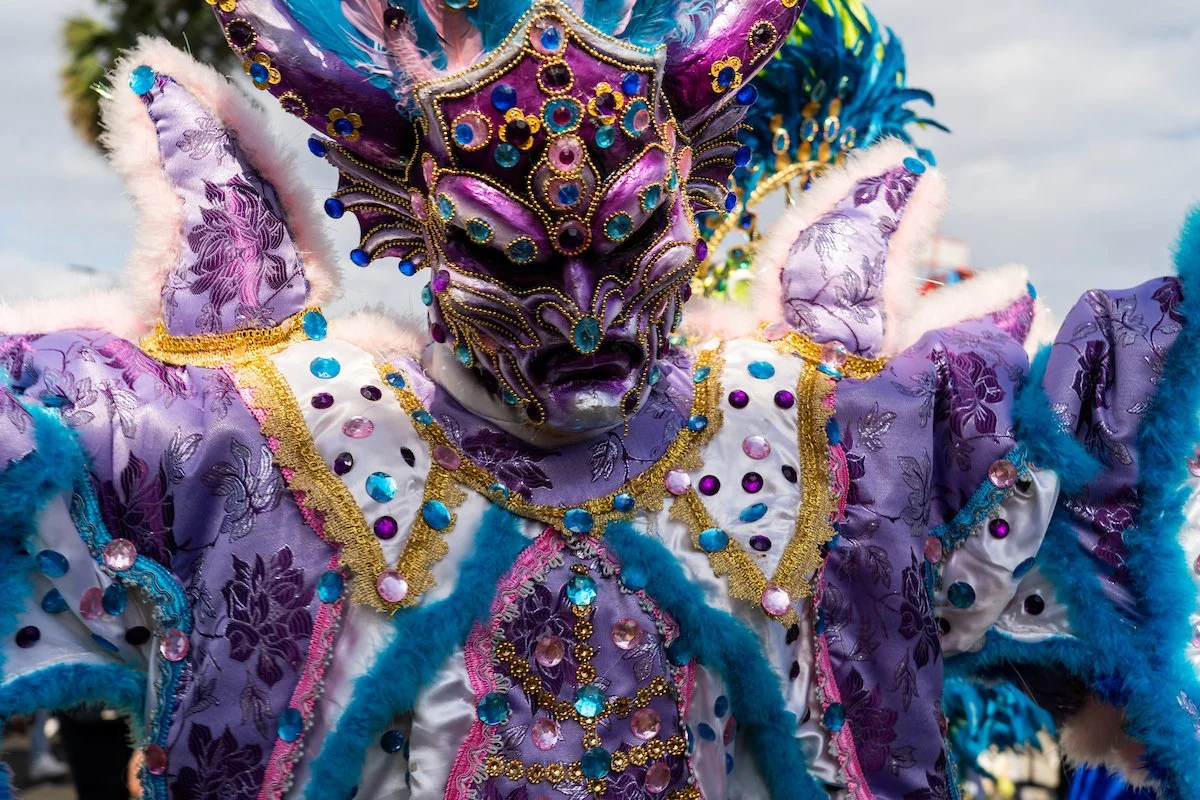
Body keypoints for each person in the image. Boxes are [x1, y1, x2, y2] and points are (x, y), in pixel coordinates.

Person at [0, 0, 1198, 798]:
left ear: (686, 202)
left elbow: (1085, 420)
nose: (580, 310)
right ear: (417, 223)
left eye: (624, 240)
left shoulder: (831, 427)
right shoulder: (270, 432)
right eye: (513, 250)